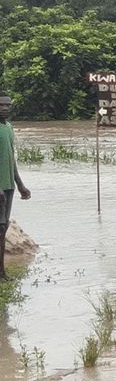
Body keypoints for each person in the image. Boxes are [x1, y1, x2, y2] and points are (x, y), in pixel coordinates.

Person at [0, 93, 30, 281]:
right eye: (1, 105)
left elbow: (11, 159)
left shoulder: (9, 128)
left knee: (3, 229)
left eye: (8, 105)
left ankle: (2, 272)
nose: (5, 108)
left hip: (9, 185)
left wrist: (20, 185)